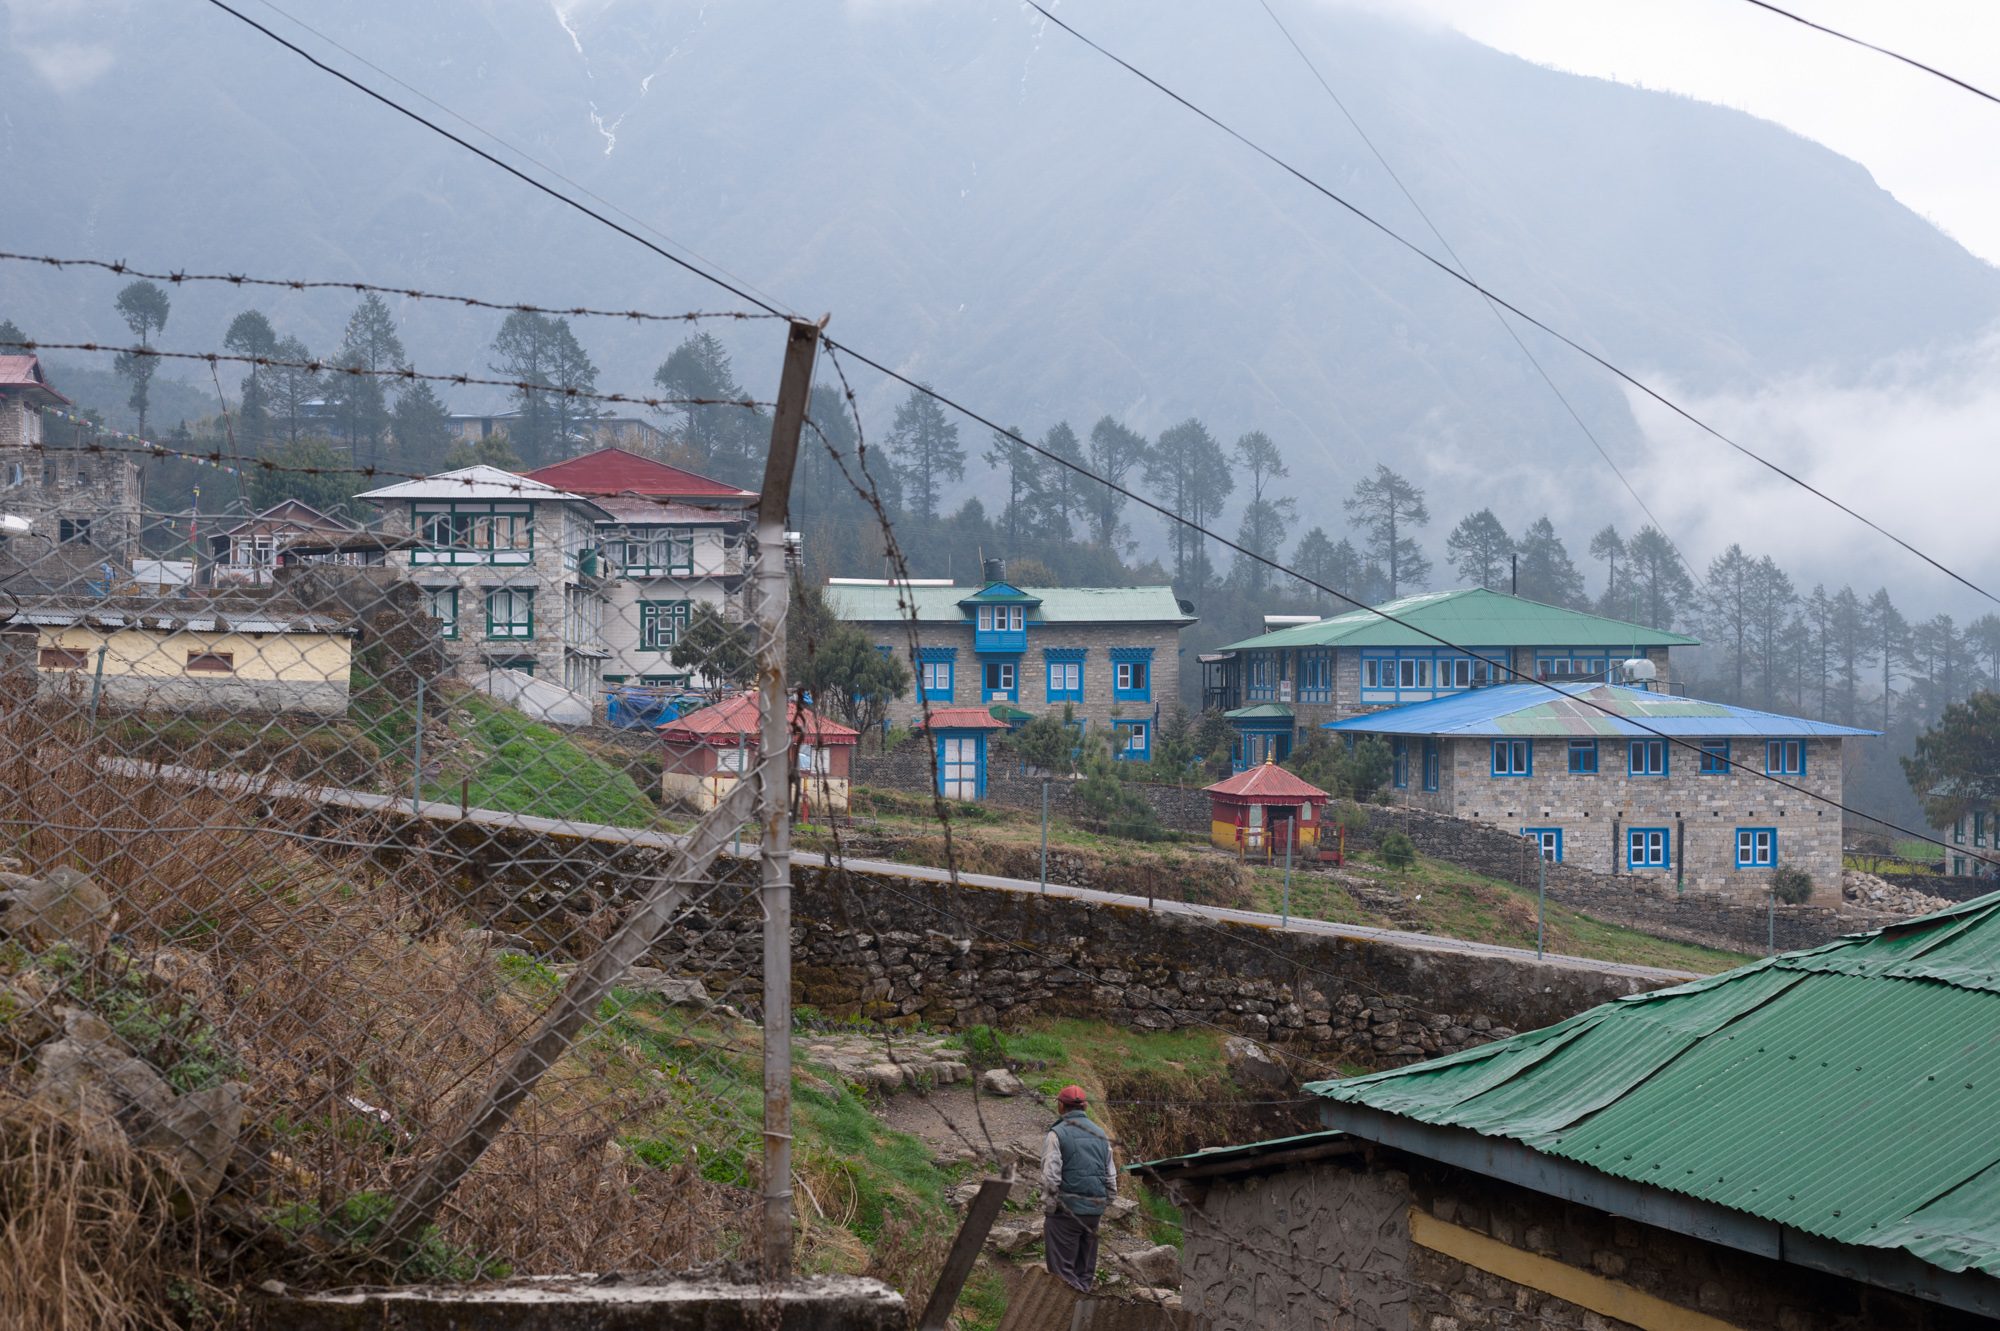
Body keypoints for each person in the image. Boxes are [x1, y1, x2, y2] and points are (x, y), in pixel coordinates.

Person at [1041, 1083, 1116, 1291]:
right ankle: (1083, 1313)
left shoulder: (1057, 1134)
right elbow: (1110, 1174)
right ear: (1085, 1107)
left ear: (1061, 1107)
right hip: (1093, 1212)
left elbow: (1051, 1177)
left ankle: (1066, 1316)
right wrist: (1105, 1202)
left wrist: (1050, 1208)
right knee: (1085, 1271)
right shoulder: (1101, 1134)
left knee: (1062, 1274)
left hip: (1066, 1212)